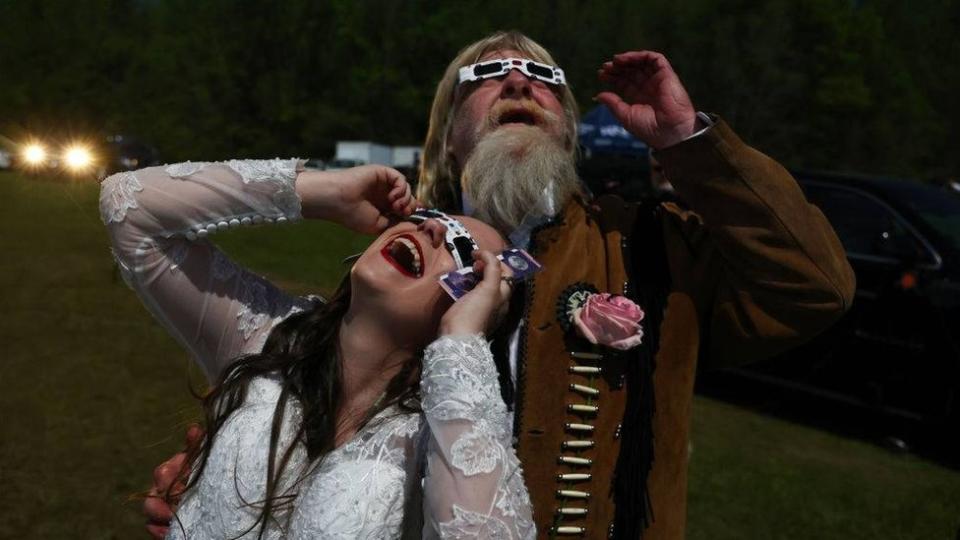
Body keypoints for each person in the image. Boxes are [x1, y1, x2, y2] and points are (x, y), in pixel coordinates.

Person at [145, 31, 855, 539]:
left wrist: (687, 143)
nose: (519, 83)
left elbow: (815, 286)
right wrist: (229, 486)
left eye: (542, 79)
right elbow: (316, 408)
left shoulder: (649, 242)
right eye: (488, 78)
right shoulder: (402, 257)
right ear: (448, 134)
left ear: (568, 128)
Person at [101, 159, 536, 538]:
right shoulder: (267, 335)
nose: (433, 227)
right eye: (432, 215)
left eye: (462, 249)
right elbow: (129, 205)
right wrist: (324, 194)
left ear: (475, 302)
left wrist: (461, 342)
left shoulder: (439, 434)